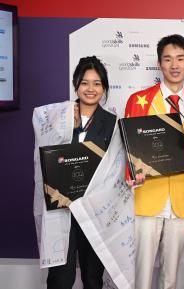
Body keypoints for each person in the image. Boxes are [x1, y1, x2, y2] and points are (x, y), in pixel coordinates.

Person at [124, 34, 184, 289]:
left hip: (180, 200)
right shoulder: (140, 101)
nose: (174, 65)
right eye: (168, 59)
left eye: (180, 59)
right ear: (160, 64)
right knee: (142, 275)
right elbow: (128, 149)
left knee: (171, 278)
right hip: (148, 197)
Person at [36, 56, 116, 289]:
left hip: (94, 210)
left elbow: (116, 167)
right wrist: (62, 129)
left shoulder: (111, 122)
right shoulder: (58, 117)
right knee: (61, 277)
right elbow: (43, 154)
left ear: (104, 88)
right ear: (75, 84)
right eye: (85, 82)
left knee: (93, 277)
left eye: (97, 83)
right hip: (62, 209)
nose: (90, 89)